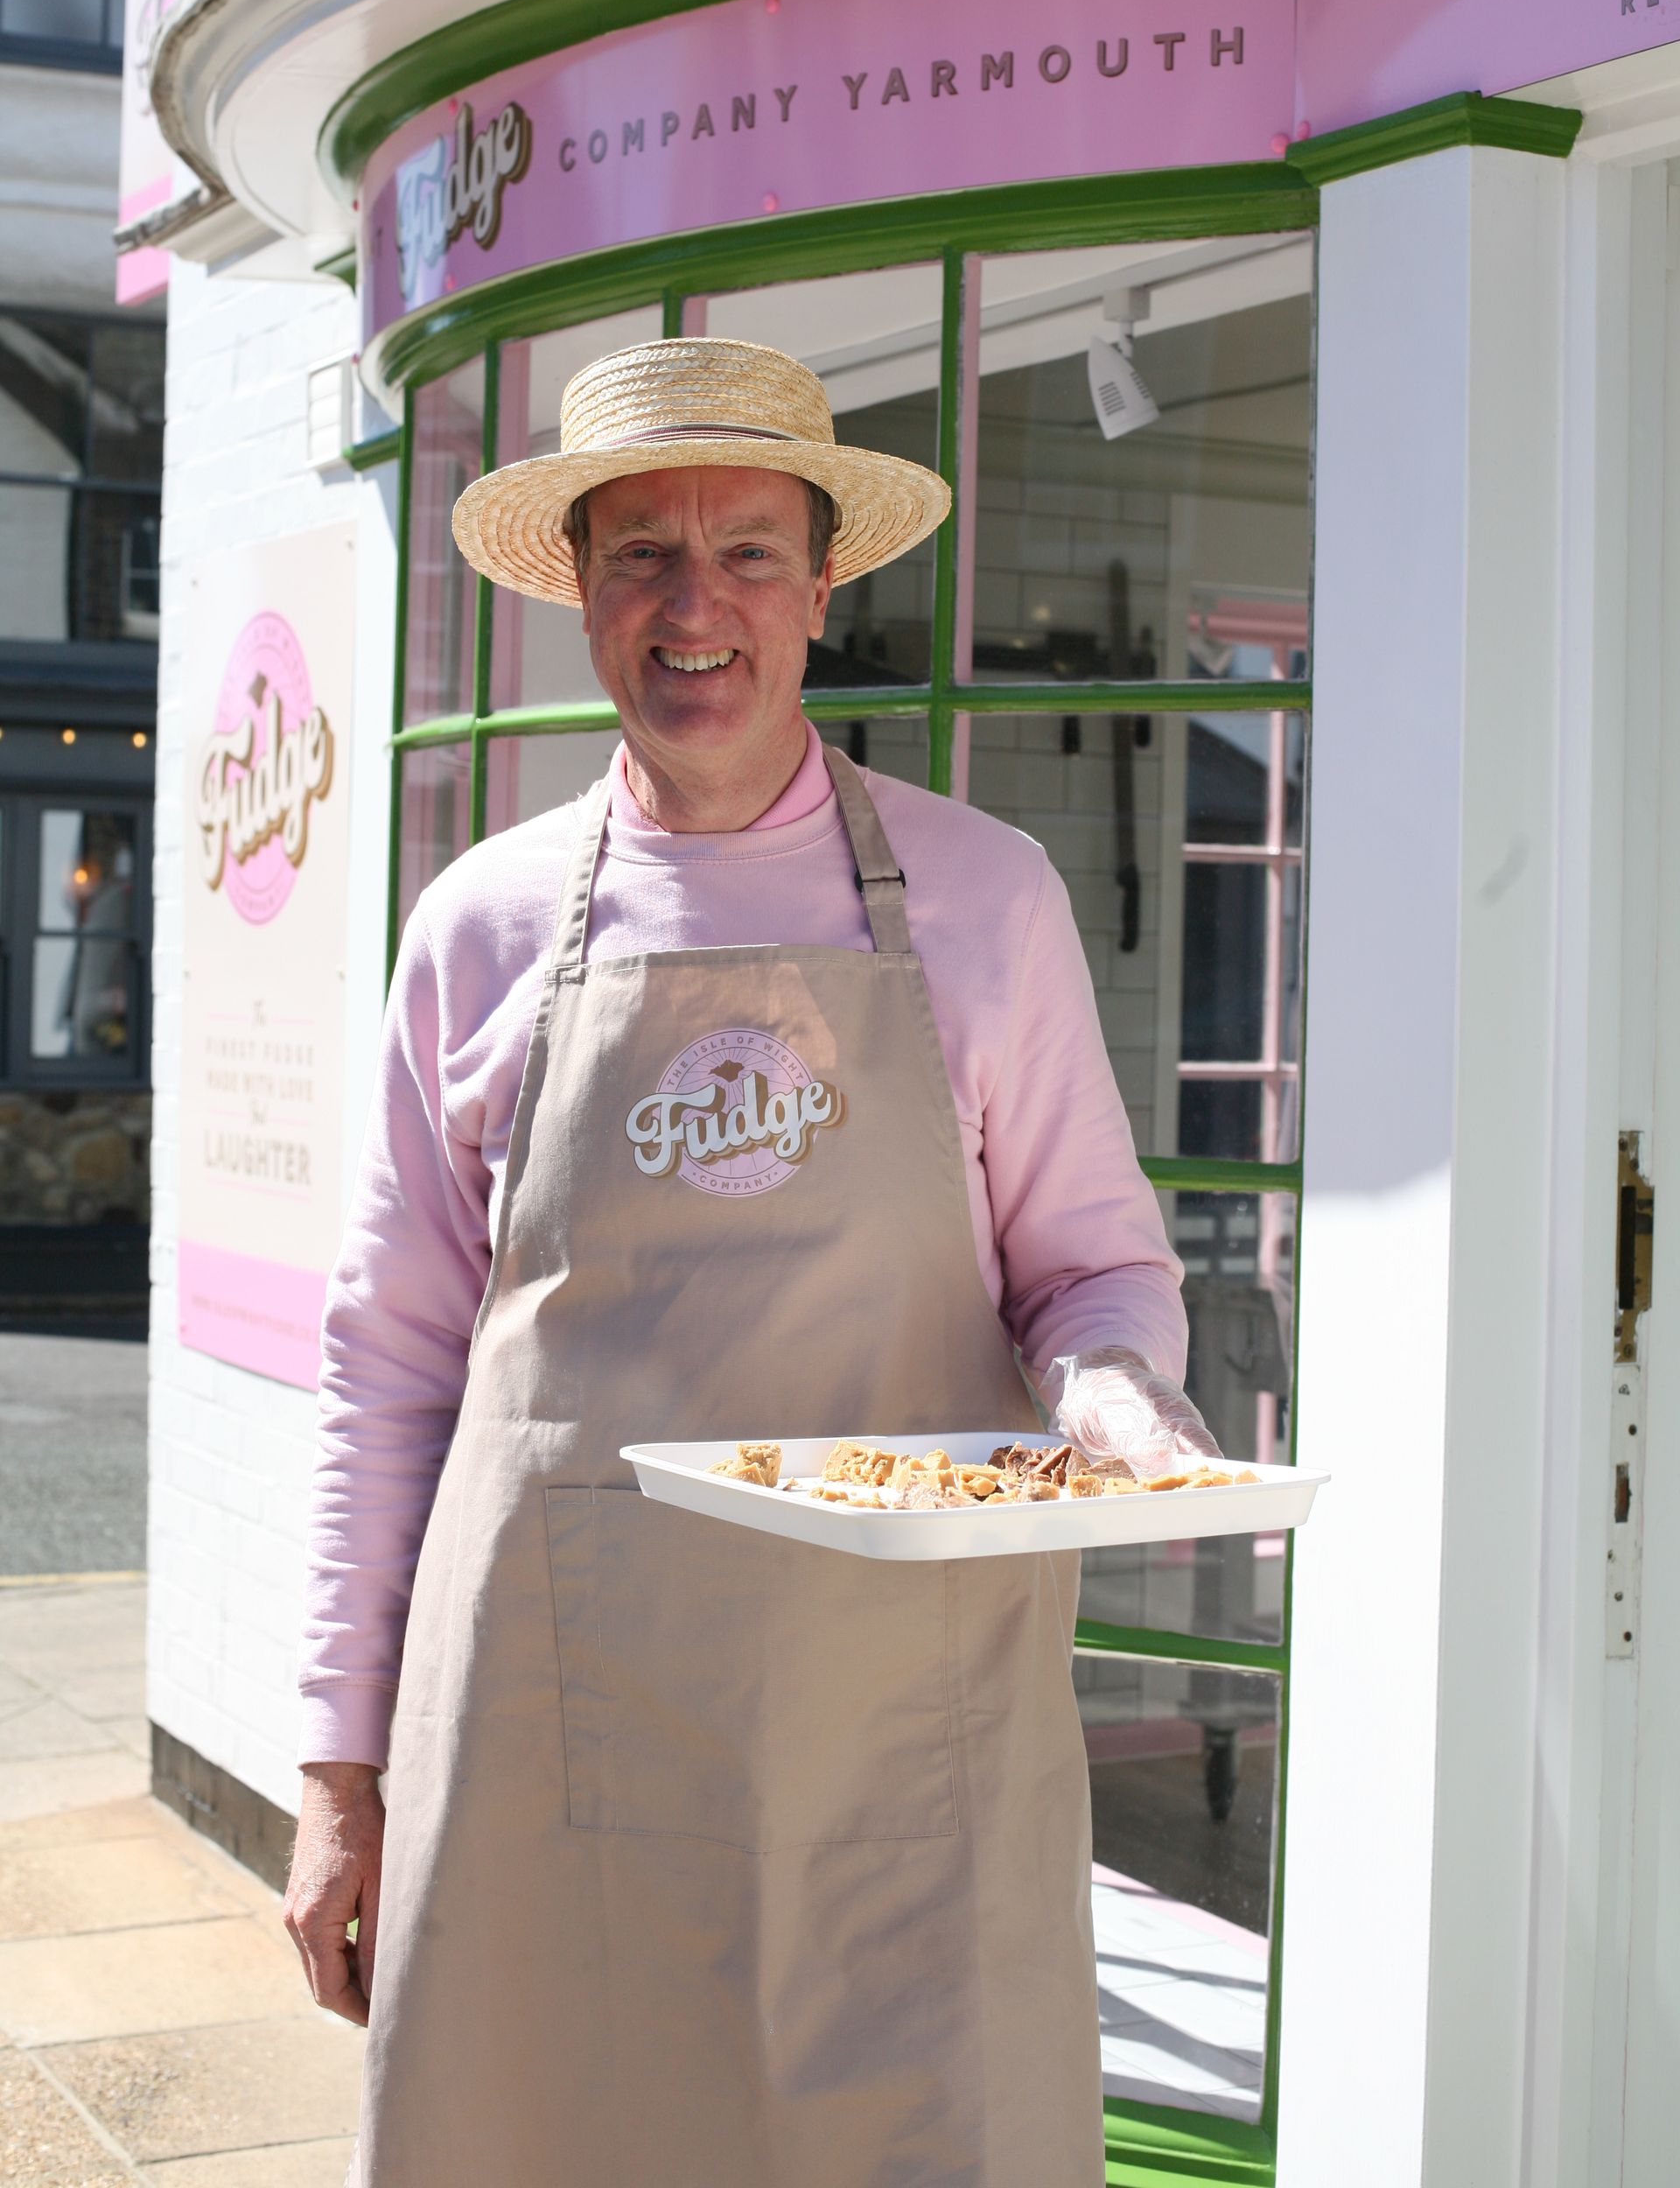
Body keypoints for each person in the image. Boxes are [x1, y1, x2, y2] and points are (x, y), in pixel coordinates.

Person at [283, 337, 1213, 2186]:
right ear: (577, 592)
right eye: (641, 553)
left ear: (821, 585)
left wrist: (1113, 1385)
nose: (694, 605)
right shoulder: (475, 930)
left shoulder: (982, 896)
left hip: (895, 1726)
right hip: (555, 1722)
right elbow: (386, 1365)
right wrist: (336, 1776)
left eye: (749, 553)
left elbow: (1093, 1269)